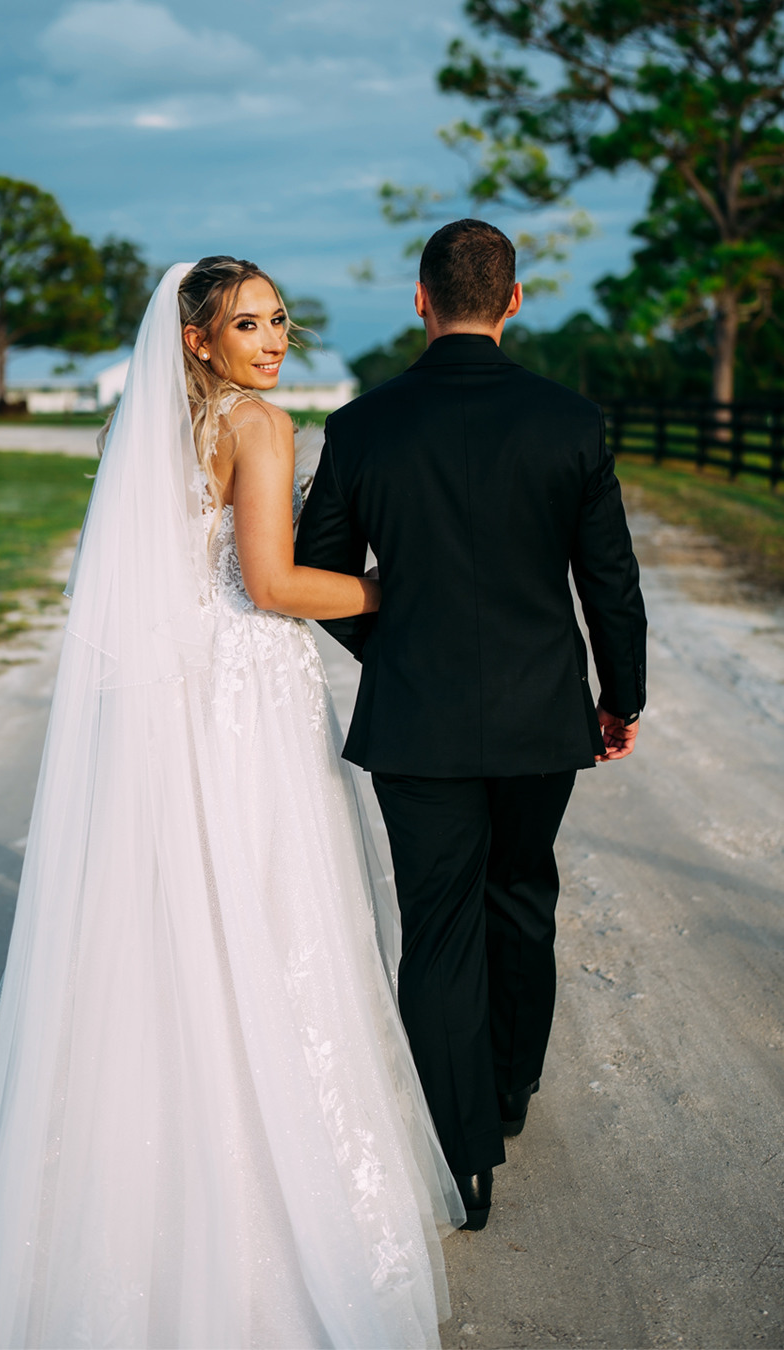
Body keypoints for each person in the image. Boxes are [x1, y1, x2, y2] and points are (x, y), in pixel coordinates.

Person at [0, 259, 464, 1350]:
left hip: (170, 705)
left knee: (156, 932)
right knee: (260, 921)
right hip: (241, 704)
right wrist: (402, 588)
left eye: (281, 321)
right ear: (197, 340)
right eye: (249, 324)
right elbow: (279, 583)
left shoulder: (136, 432)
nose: (274, 340)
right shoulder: (260, 425)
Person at [295, 219, 647, 1231]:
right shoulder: (570, 422)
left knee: (439, 924)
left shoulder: (363, 426)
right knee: (522, 896)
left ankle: (460, 1153)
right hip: (544, 720)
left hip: (419, 723)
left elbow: (322, 581)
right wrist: (620, 698)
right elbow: (609, 584)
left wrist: (396, 654)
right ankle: (509, 1091)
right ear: (514, 301)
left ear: (420, 299)